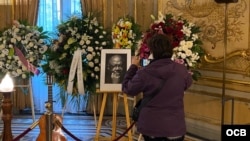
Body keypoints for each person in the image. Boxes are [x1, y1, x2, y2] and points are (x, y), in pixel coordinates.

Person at [122, 34, 193, 141]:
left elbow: (128, 89)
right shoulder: (181, 70)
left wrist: (133, 67)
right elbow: (187, 84)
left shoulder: (145, 72)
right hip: (175, 127)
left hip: (152, 127)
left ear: (152, 51)